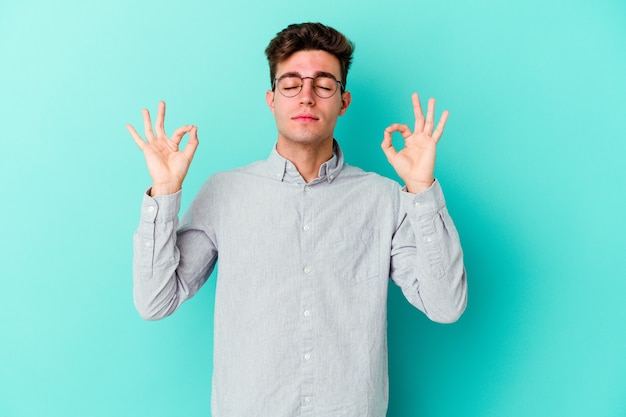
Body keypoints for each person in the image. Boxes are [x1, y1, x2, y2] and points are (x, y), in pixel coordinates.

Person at [127, 22, 467, 417]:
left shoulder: (385, 198)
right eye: (291, 84)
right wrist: (165, 191)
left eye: (324, 84)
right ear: (271, 99)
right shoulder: (224, 192)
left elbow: (446, 306)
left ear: (343, 101)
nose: (306, 96)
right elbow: (155, 301)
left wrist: (422, 189)